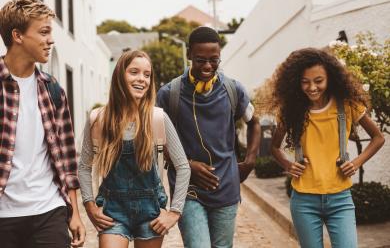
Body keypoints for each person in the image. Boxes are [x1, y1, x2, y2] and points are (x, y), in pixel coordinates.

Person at [267, 48, 385, 248]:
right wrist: (288, 164)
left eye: (318, 80)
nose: (312, 87)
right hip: (304, 200)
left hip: (340, 198)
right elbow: (274, 147)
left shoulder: (347, 105)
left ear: (330, 78)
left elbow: (378, 138)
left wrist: (356, 163)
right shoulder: (291, 109)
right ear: (296, 81)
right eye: (305, 81)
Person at [157, 26, 261, 248]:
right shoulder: (169, 94)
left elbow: (254, 123)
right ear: (189, 55)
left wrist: (250, 161)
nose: (207, 66)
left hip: (226, 190)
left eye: (214, 60)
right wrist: (187, 164)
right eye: (200, 60)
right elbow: (157, 139)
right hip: (188, 189)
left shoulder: (233, 89)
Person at [79, 49, 190, 248]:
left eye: (147, 75)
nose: (142, 79)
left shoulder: (157, 118)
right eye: (134, 72)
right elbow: (84, 167)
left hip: (151, 211)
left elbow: (183, 166)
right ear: (119, 75)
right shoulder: (99, 119)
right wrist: (89, 206)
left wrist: (174, 212)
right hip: (112, 211)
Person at [0, 0, 85, 247]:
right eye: (44, 31)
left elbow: (68, 157)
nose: (51, 39)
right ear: (18, 35)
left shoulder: (53, 89)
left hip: (49, 211)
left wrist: (75, 213)